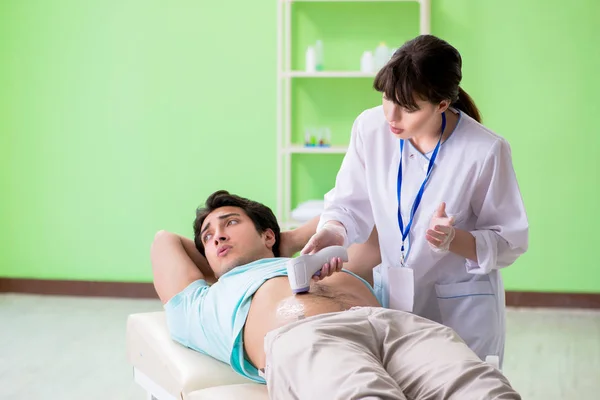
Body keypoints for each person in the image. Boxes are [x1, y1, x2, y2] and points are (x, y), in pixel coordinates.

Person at [284, 34, 529, 365]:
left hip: (462, 312)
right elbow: (348, 202)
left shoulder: (484, 150)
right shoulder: (369, 128)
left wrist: (454, 240)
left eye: (408, 107)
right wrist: (334, 230)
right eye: (387, 98)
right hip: (394, 301)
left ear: (442, 104)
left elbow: (510, 240)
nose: (392, 117)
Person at [151, 190, 522, 400]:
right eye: (207, 236)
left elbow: (377, 209)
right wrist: (221, 255)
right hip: (306, 338)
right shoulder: (205, 301)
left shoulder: (327, 262)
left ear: (268, 235)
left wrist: (291, 242)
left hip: (395, 328)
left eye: (231, 222)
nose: (216, 235)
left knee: (488, 392)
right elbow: (164, 241)